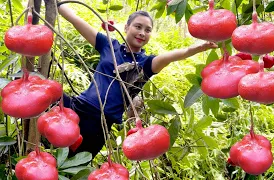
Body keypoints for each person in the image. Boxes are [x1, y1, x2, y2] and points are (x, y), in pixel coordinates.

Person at [58, 2, 218, 158]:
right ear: (126, 27)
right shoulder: (109, 45)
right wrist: (56, 4)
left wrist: (196, 48)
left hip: (99, 125)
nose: (142, 32)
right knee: (46, 92)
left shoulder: (146, 64)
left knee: (73, 166)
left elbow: (171, 56)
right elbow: (75, 19)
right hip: (76, 107)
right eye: (138, 26)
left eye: (148, 30)